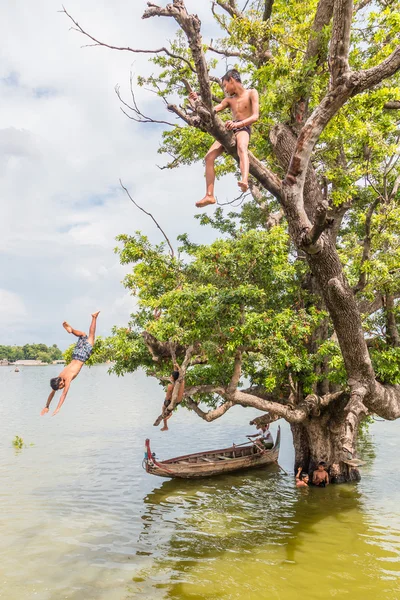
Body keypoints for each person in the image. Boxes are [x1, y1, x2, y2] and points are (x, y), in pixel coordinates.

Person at [189, 69, 259, 208]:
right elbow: (213, 109)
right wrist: (196, 101)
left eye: (225, 85)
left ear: (232, 80)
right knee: (208, 157)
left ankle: (244, 179)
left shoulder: (251, 93)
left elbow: (255, 116)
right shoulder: (229, 100)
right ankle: (209, 195)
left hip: (243, 128)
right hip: (230, 129)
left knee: (241, 147)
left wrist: (238, 124)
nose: (225, 89)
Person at [40, 311, 100, 416]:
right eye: (60, 387)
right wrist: (47, 406)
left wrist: (58, 408)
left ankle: (94, 317)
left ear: (60, 383)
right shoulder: (59, 378)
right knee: (83, 335)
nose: (61, 387)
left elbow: (63, 395)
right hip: (75, 355)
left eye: (60, 386)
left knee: (91, 336)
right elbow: (52, 393)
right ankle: (71, 330)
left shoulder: (66, 380)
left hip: (82, 357)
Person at [157, 365, 185, 431]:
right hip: (179, 400)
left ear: (173, 378)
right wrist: (176, 365)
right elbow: (180, 372)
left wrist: (165, 402)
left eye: (171, 376)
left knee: (164, 409)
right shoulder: (182, 381)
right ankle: (169, 413)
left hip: (172, 402)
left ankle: (165, 425)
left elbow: (168, 397)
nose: (170, 377)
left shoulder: (171, 386)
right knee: (169, 406)